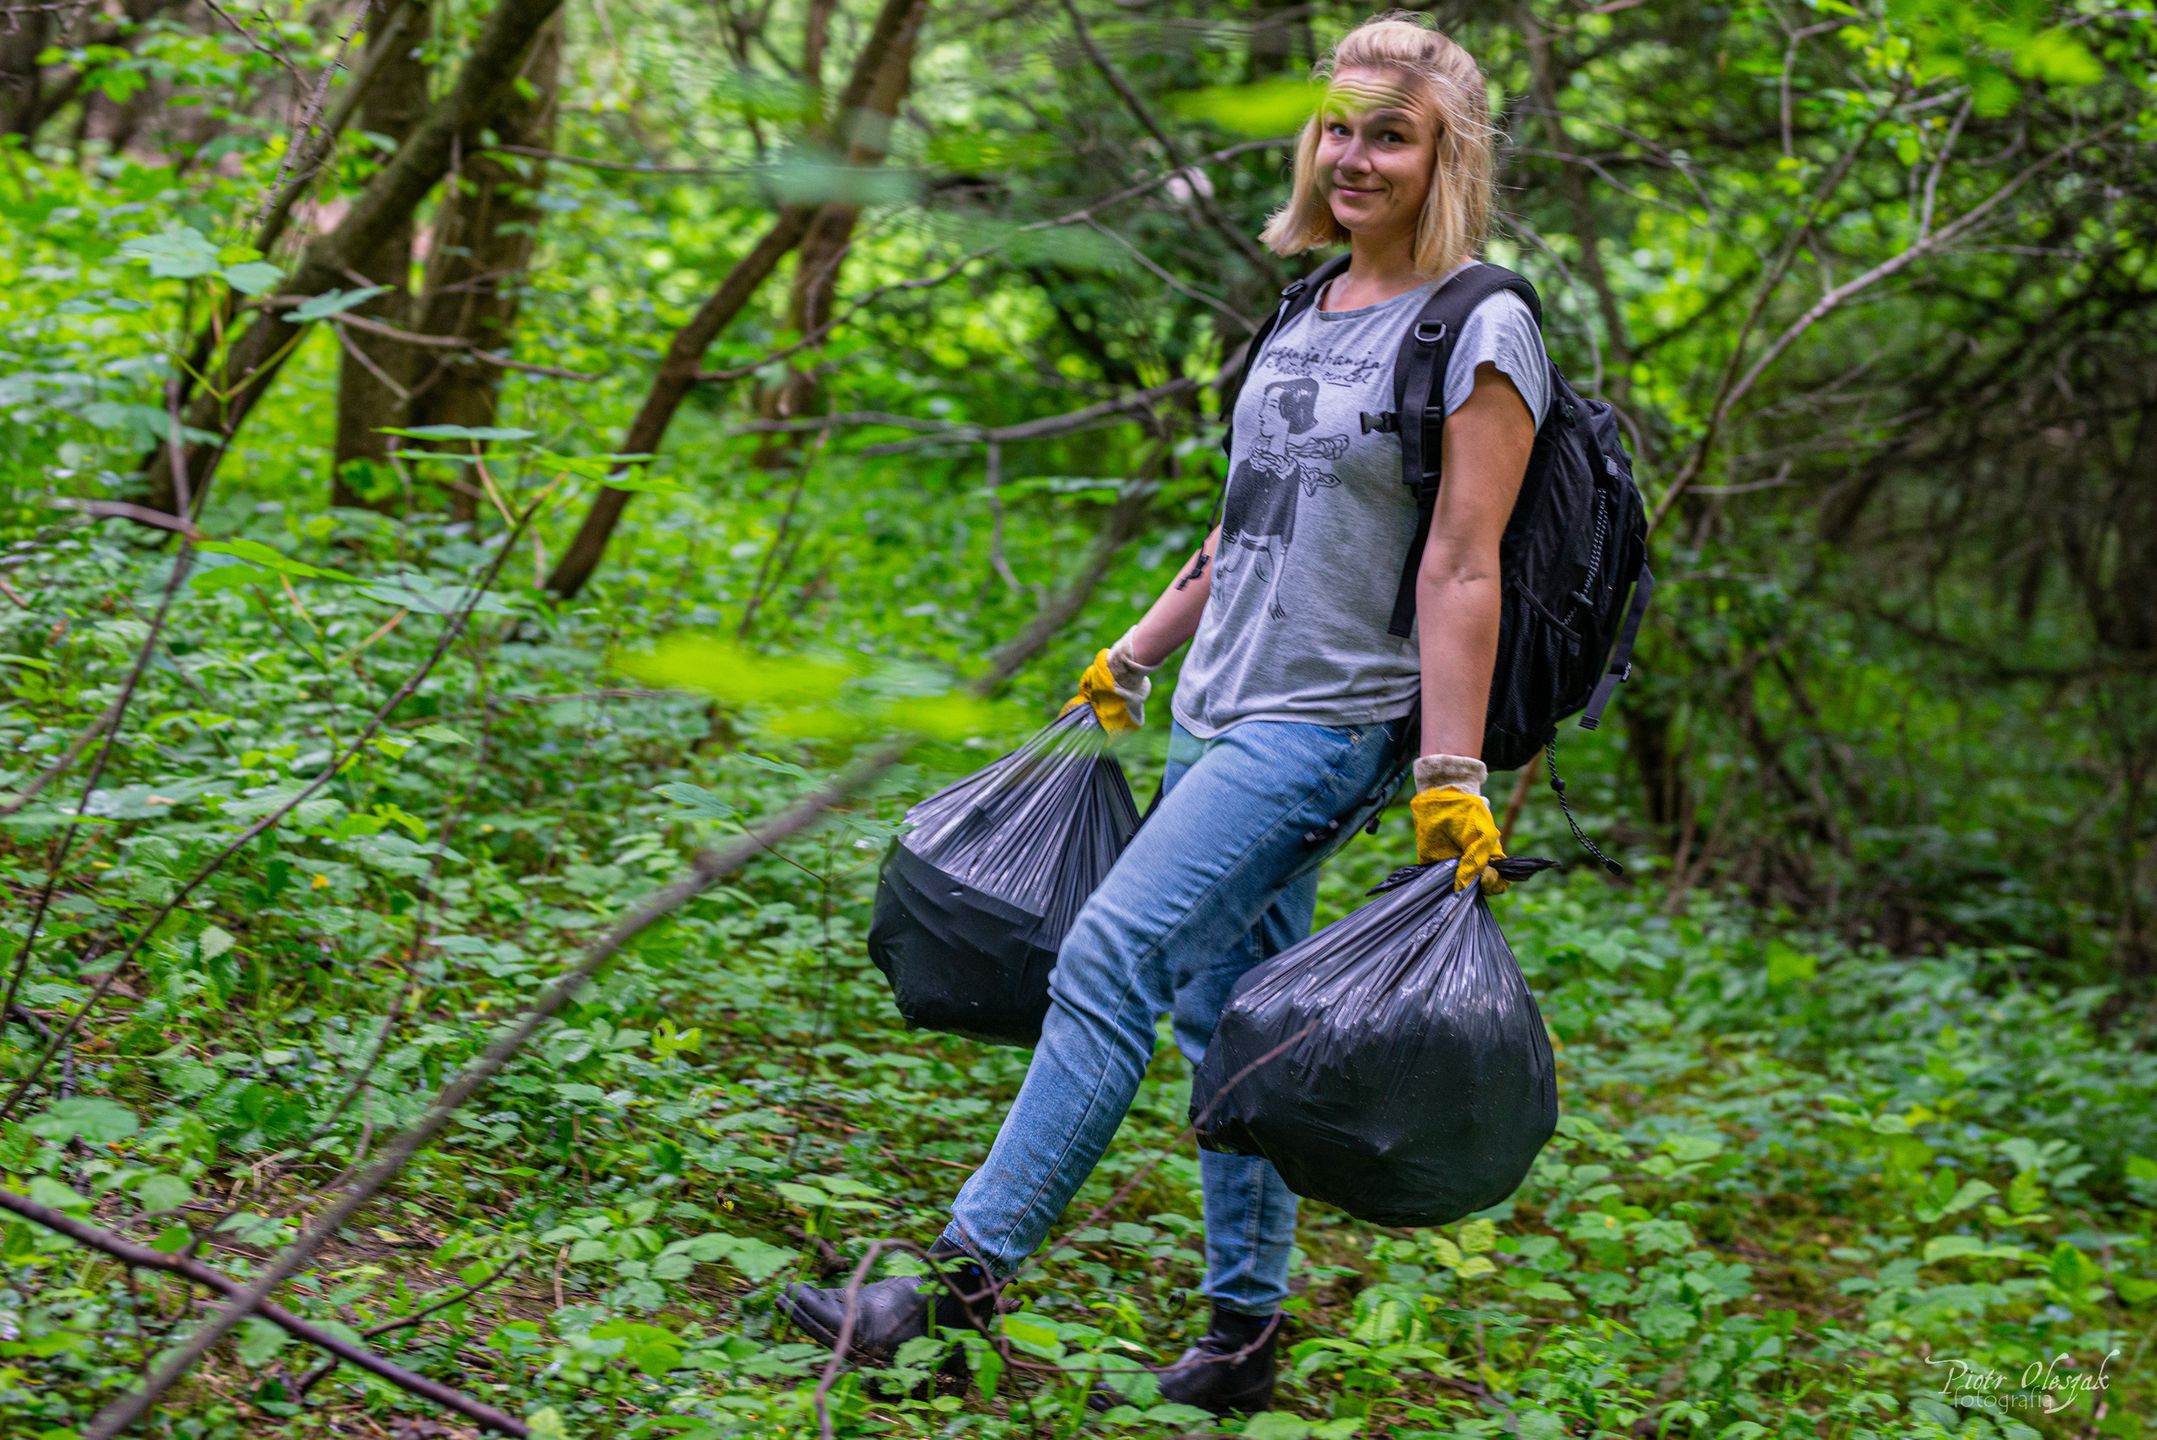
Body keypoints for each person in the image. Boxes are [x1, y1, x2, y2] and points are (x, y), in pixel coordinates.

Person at [778, 11, 1549, 1417]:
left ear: (1446, 154)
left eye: (1391, 132)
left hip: (1327, 725)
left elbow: (1461, 561)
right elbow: (1247, 520)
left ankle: (951, 1295)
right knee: (1223, 1017)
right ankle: (1244, 1340)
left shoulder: (1478, 322)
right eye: (1337, 125)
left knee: (1111, 952)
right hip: (1216, 701)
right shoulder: (1307, 301)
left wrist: (1449, 770)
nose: (1354, 154)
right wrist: (1131, 655)